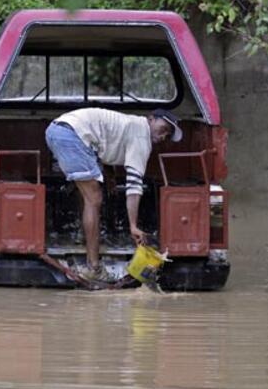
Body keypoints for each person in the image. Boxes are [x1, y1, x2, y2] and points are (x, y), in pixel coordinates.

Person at [45, 108, 183, 282]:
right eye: (164, 128)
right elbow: (134, 185)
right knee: (94, 199)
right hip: (71, 134)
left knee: (87, 193)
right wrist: (133, 226)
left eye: (168, 134)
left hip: (58, 130)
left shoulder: (132, 125)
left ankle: (83, 236)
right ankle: (94, 268)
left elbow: (105, 146)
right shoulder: (142, 135)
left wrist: (109, 174)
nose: (164, 136)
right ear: (151, 119)